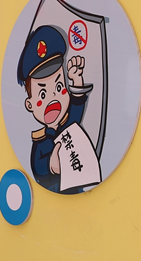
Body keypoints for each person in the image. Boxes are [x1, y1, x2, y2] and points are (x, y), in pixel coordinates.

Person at [17, 25, 91, 193]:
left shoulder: (68, 124)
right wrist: (51, 164)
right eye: (42, 94)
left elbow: (77, 107)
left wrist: (76, 80)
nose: (53, 98)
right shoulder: (40, 140)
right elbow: (37, 166)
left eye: (59, 87)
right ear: (29, 104)